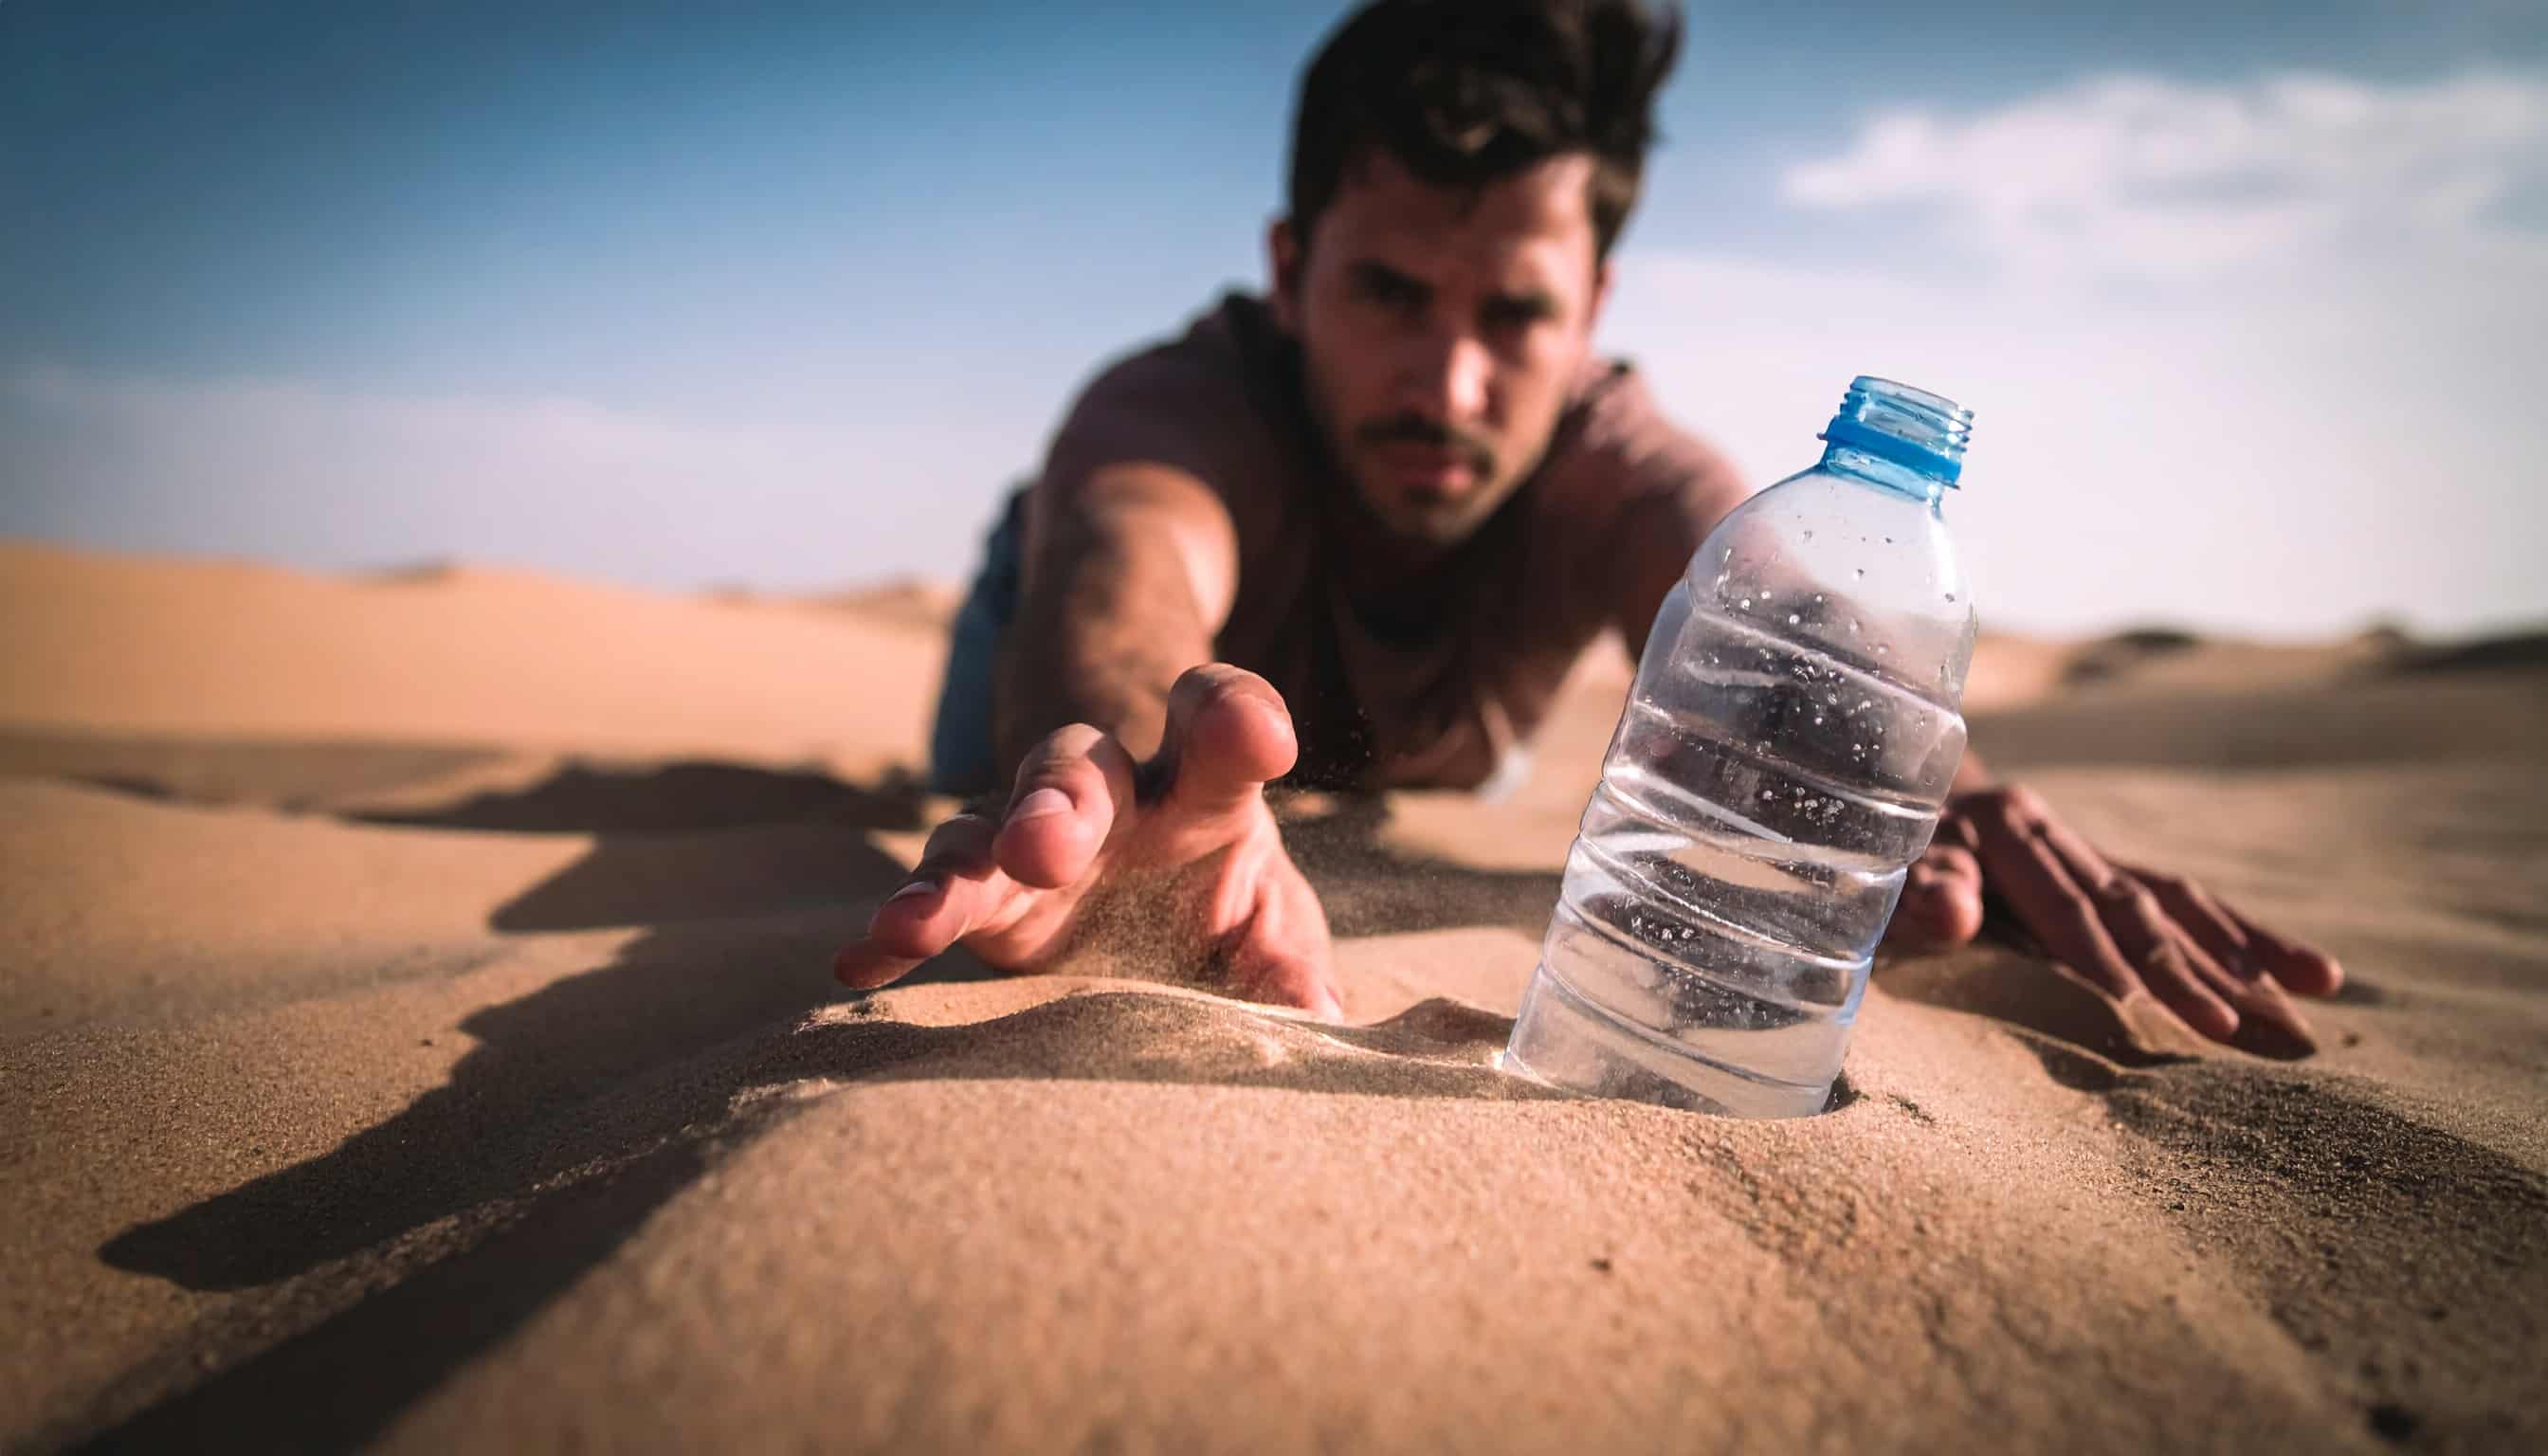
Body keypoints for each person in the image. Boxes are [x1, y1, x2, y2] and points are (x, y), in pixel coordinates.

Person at [836, 0, 2344, 1054]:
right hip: (1039, 649)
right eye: (1389, 295)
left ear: (1595, 312)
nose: (1451, 381)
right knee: (1021, 756)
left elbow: (1808, 638)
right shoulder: (1179, 408)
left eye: (1516, 314)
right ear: (1291, 272)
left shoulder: (1621, 471)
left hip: (1396, 751)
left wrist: (1949, 792)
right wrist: (1127, 762)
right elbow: (1126, 564)